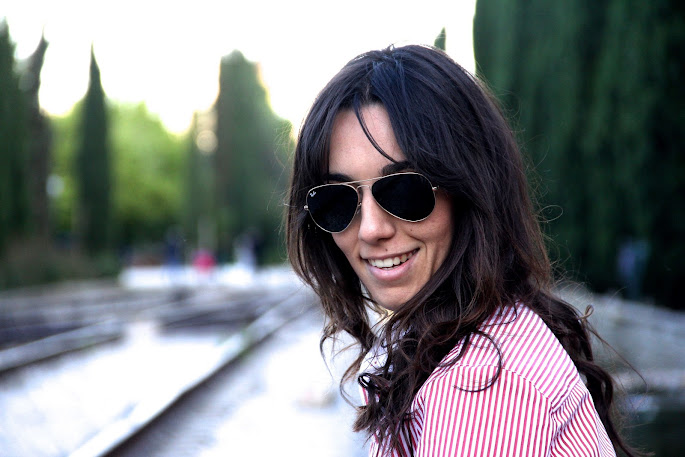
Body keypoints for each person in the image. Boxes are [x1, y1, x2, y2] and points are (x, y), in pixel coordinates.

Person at [286, 45, 640, 457]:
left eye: (403, 189)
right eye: (337, 200)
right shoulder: (492, 335)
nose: (371, 229)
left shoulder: (481, 385)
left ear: (468, 189)